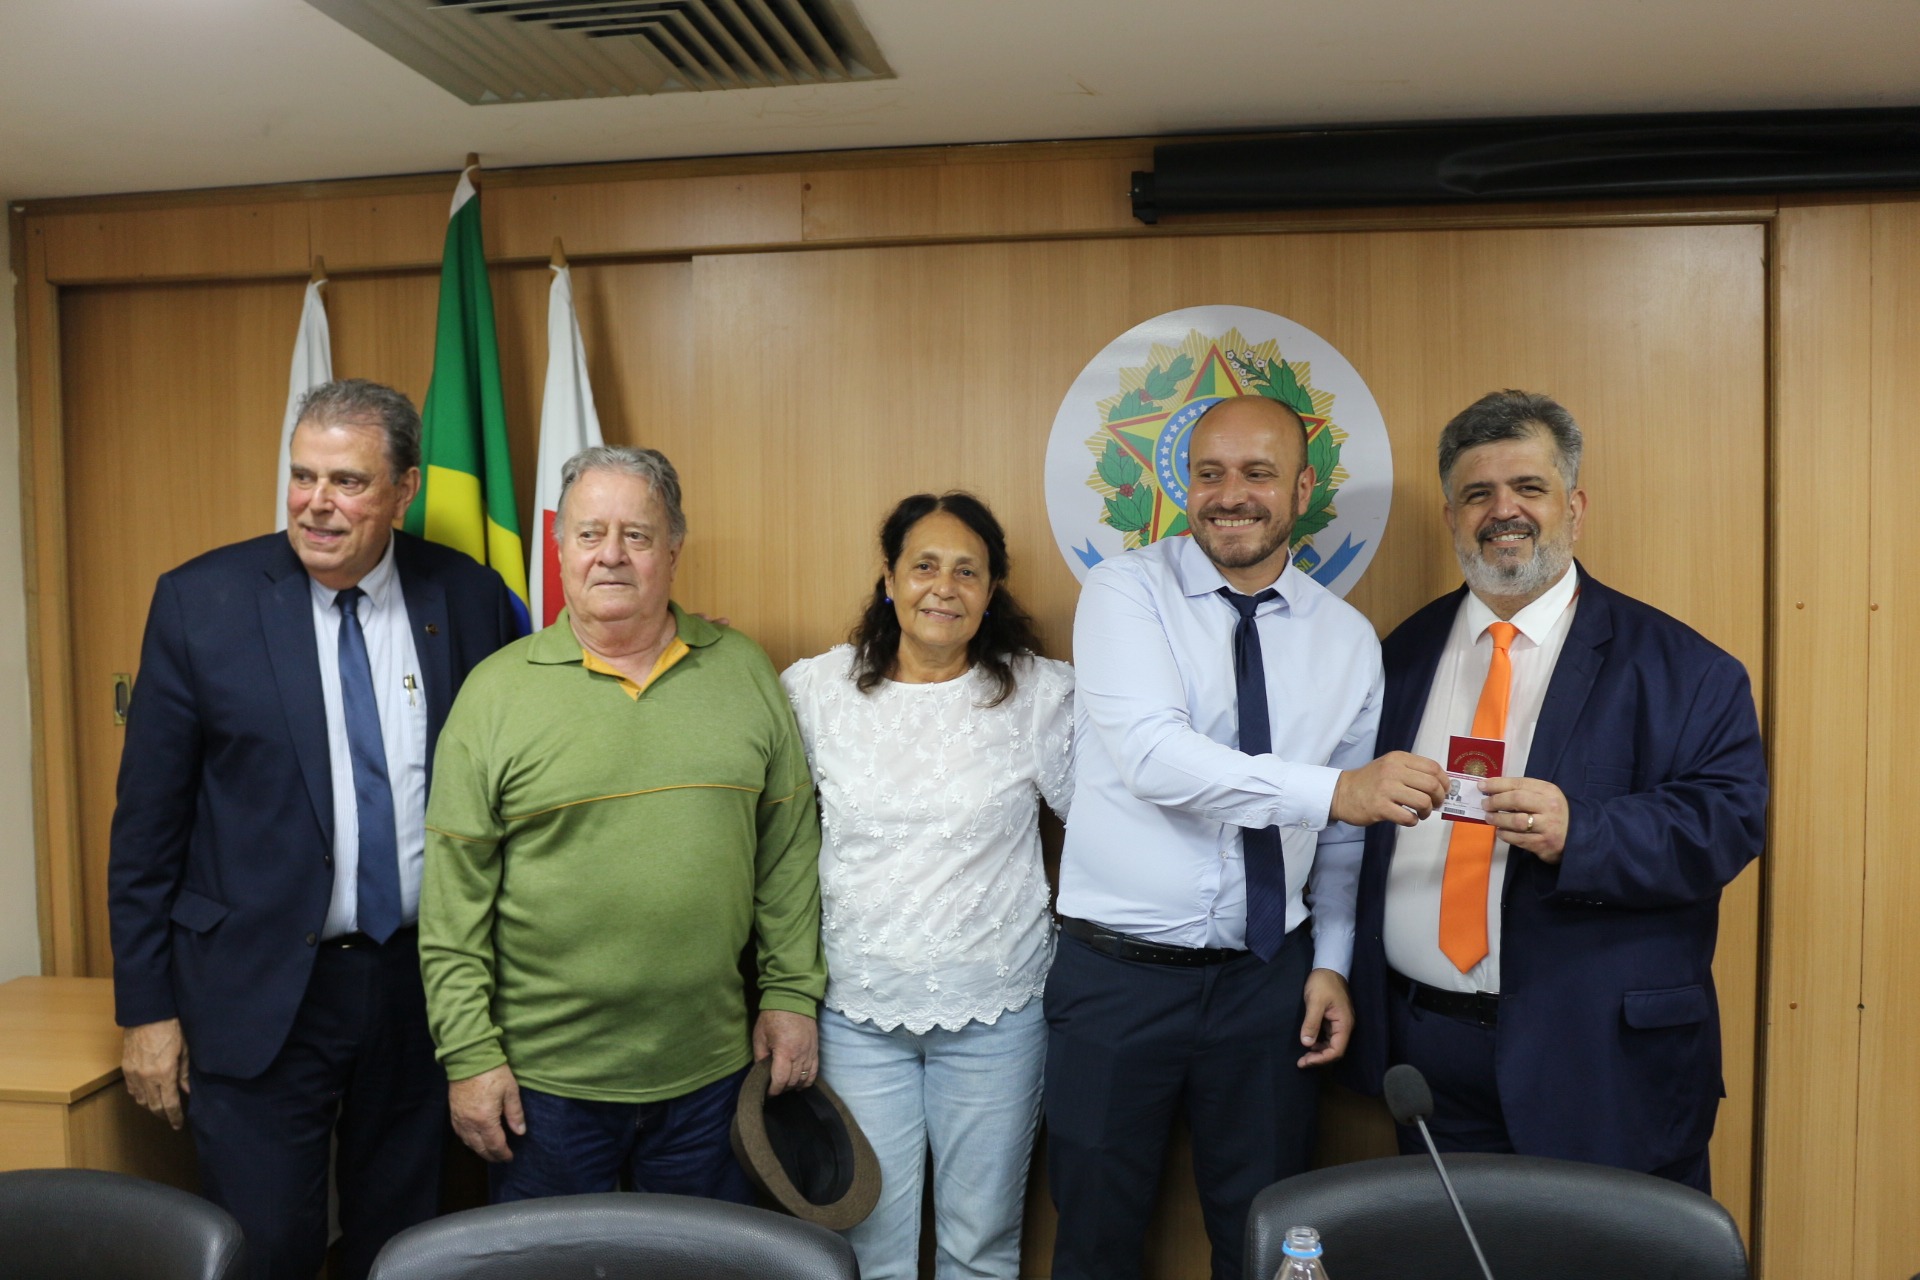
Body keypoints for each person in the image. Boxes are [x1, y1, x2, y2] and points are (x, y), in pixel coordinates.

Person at [107, 378, 521, 1280]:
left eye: (348, 481)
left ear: (405, 489)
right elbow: (146, 828)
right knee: (266, 1249)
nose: (316, 504)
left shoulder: (468, 596)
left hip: (417, 985)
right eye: (302, 476)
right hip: (254, 989)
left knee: (405, 1247)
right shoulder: (200, 602)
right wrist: (145, 1009)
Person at [1047, 394, 1449, 1280]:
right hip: (1115, 979)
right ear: (1184, 486)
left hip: (1268, 983)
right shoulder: (1124, 592)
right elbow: (1155, 759)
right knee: (1094, 1243)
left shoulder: (1347, 640)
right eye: (1210, 474)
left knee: (1269, 1243)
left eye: (1258, 473)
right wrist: (1335, 791)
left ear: (1302, 490)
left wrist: (1331, 961)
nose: (1231, 495)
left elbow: (1342, 839)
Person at [1345, 390, 1767, 1191]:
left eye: (1529, 488)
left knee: (1611, 1253)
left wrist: (1583, 830)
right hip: (1429, 1058)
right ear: (1452, 517)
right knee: (1454, 1252)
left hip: (1603, 1067)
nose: (1503, 511)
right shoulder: (1399, 656)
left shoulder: (1685, 668)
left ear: (1573, 507)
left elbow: (1728, 824)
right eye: (1478, 493)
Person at [420, 444, 825, 1204]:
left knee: (703, 1261)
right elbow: (452, 903)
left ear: (673, 550)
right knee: (555, 1263)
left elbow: (789, 858)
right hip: (542, 1091)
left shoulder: (743, 672)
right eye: (589, 533)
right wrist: (469, 1056)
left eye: (636, 535)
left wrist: (790, 996)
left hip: (712, 1078)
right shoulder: (493, 695)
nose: (611, 554)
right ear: (559, 548)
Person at [780, 493, 1073, 1280]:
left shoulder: (1039, 695)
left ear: (991, 589)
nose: (944, 587)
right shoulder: (816, 692)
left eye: (967, 571)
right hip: (856, 1014)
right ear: (889, 579)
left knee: (980, 1246)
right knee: (868, 1249)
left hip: (998, 1013)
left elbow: (1101, 824)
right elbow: (775, 844)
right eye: (925, 566)